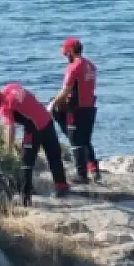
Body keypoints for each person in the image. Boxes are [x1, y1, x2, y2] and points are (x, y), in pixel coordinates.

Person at [0, 83, 70, 205]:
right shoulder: (12, 87)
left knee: (26, 164)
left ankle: (26, 197)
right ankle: (61, 186)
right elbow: (30, 98)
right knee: (54, 155)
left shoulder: (5, 107)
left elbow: (10, 129)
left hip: (34, 128)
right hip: (47, 119)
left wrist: (8, 149)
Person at [49, 37, 99, 183]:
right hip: (89, 107)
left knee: (76, 141)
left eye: (66, 54)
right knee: (85, 140)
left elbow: (66, 90)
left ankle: (81, 175)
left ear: (70, 51)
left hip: (76, 109)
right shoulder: (90, 65)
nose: (66, 57)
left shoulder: (73, 67)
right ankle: (93, 168)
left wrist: (52, 103)